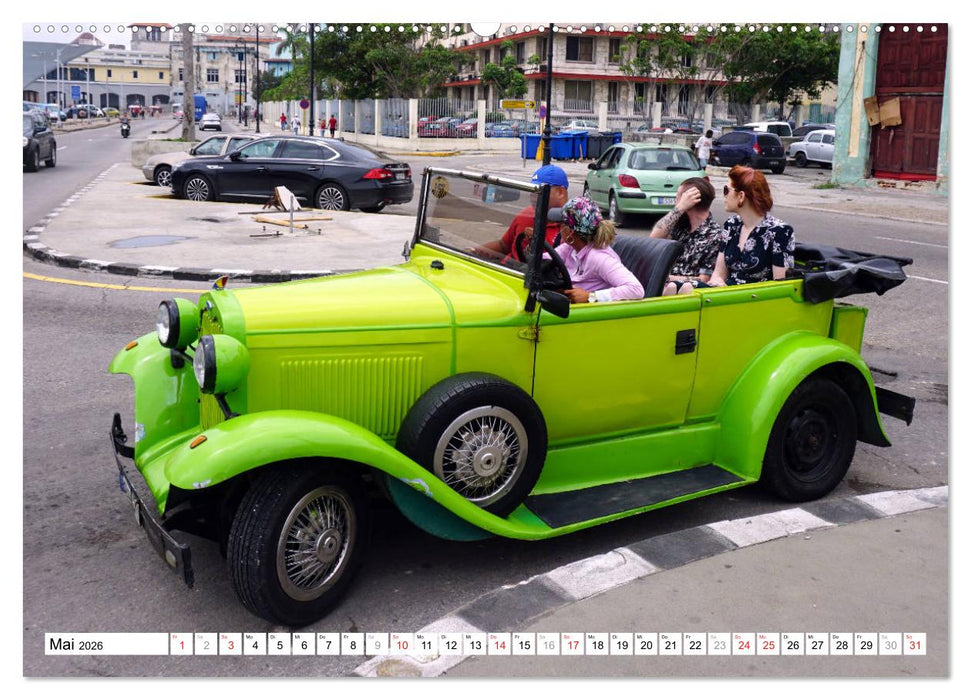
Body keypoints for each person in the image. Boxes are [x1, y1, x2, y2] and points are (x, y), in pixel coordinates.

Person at [708, 165, 794, 286]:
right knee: (679, 286)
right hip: (724, 295)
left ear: (741, 196)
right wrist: (717, 285)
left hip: (755, 299)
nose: (724, 195)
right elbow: (718, 274)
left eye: (726, 190)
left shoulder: (779, 231)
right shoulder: (732, 225)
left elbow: (780, 286)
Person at [550, 196, 644, 303]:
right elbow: (546, 260)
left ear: (570, 231)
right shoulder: (569, 248)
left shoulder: (598, 257)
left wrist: (591, 297)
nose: (559, 228)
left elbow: (636, 289)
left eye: (560, 224)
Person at [477, 164, 570, 264]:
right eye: (532, 191)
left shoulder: (573, 227)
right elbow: (504, 245)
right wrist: (473, 252)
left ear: (560, 192)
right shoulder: (526, 214)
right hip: (507, 270)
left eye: (539, 192)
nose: (533, 197)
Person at [650, 177, 724, 295]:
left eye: (678, 197)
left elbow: (704, 279)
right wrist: (679, 209)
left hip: (685, 297)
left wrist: (667, 278)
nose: (676, 201)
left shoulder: (714, 236)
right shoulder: (681, 226)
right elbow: (653, 240)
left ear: (690, 200)